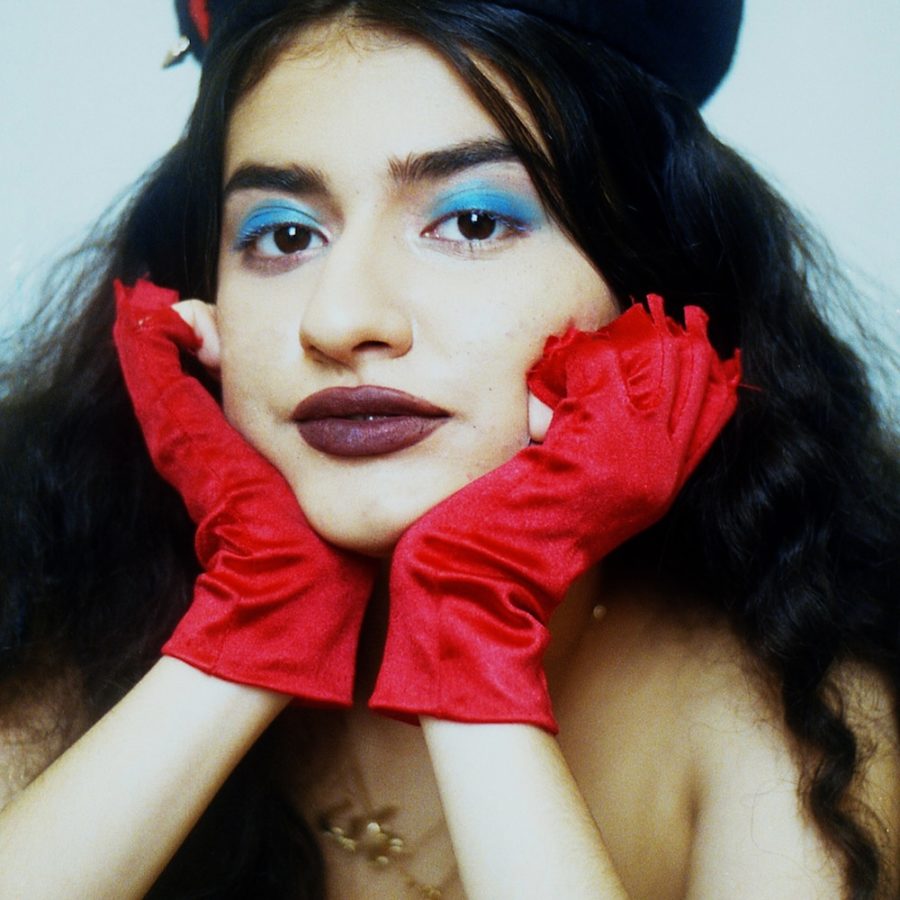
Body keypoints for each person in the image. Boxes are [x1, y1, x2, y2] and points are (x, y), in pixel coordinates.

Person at [0, 1, 897, 897]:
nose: (339, 319)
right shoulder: (72, 630)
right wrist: (257, 620)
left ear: (648, 292)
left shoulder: (792, 724)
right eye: (284, 235)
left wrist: (470, 623)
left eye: (471, 224)